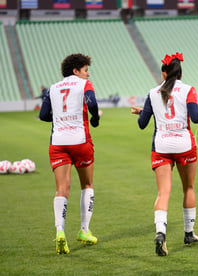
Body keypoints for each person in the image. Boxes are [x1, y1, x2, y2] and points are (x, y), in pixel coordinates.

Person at [131, 52, 198, 257]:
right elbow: (195, 118)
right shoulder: (188, 90)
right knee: (189, 188)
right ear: (181, 73)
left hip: (161, 147)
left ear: (163, 73)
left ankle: (160, 233)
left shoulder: (152, 92)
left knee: (163, 193)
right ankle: (188, 233)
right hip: (184, 146)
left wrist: (143, 113)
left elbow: (142, 124)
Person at [39, 53, 100, 254]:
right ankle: (84, 230)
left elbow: (43, 115)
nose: (88, 74)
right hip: (80, 141)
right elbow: (92, 104)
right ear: (76, 71)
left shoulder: (52, 89)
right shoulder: (84, 85)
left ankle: (60, 232)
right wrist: (95, 120)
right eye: (85, 71)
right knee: (87, 185)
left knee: (61, 189)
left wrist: (60, 119)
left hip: (57, 143)